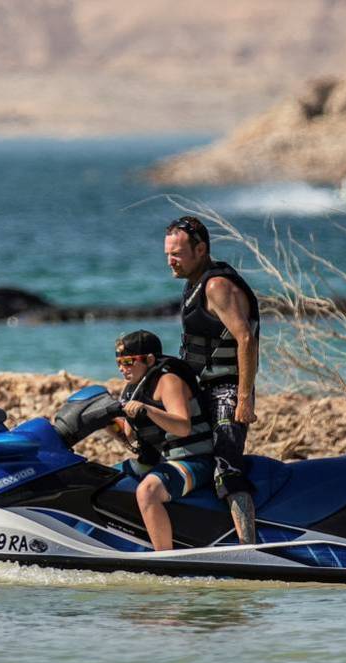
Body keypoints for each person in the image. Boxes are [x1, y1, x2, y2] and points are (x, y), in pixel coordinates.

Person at [165, 215, 260, 544]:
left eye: (177, 254)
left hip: (227, 392)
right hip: (201, 389)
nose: (170, 261)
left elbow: (245, 338)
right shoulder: (194, 281)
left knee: (225, 466)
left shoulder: (217, 285)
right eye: (167, 254)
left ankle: (250, 547)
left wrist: (244, 398)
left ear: (201, 249)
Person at [110, 330, 214, 551]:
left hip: (195, 460)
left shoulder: (169, 381)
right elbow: (128, 435)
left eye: (128, 362)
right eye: (119, 362)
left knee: (147, 491)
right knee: (106, 478)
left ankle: (165, 557)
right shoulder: (132, 389)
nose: (122, 368)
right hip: (163, 461)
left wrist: (146, 409)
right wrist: (107, 424)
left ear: (148, 360)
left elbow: (183, 426)